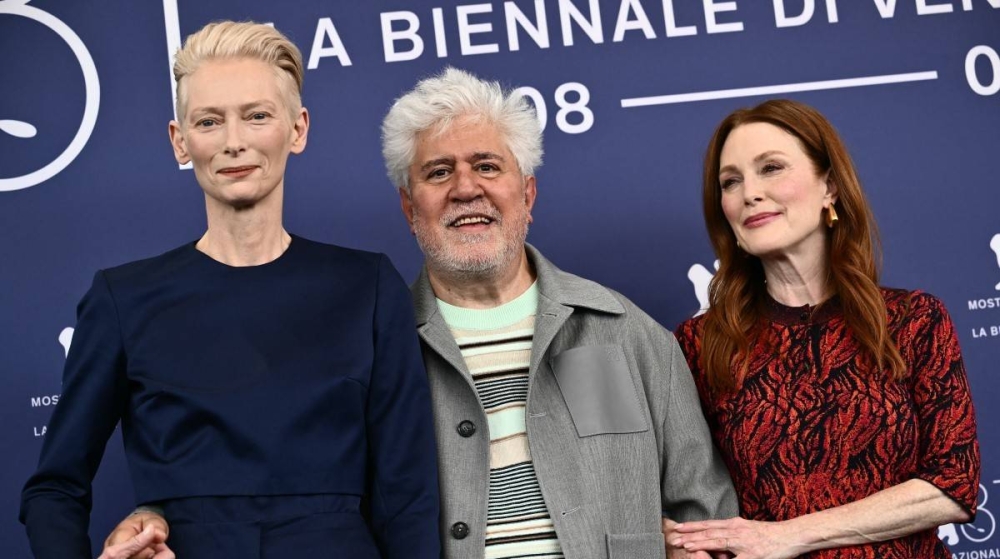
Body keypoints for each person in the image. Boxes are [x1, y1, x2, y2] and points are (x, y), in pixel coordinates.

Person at [106, 67, 738, 559]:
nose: (466, 188)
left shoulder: (625, 333)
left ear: (528, 194)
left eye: (487, 166)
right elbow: (300, 499)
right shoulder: (366, 346)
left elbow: (703, 511)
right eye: (439, 172)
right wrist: (161, 513)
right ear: (410, 210)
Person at [20, 21, 440, 559]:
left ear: (297, 128)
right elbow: (53, 489)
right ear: (180, 141)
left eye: (257, 115)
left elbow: (407, 497)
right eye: (209, 121)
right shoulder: (123, 299)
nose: (234, 141)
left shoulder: (367, 287)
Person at [668, 99, 980, 557]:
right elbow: (655, 495)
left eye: (771, 168)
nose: (749, 192)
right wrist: (676, 542)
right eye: (730, 181)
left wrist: (785, 535)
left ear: (829, 187)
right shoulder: (698, 346)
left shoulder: (914, 321)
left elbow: (952, 484)